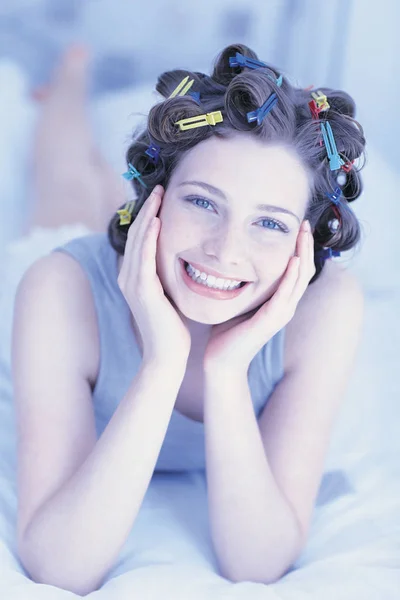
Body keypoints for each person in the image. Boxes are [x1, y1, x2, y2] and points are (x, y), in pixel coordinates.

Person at [11, 42, 365, 594]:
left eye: (269, 224)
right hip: (106, 258)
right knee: (66, 177)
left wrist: (227, 374)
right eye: (202, 202)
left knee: (88, 182)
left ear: (305, 239)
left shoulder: (325, 311)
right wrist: (162, 365)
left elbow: (257, 563)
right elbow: (60, 567)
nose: (225, 251)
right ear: (156, 196)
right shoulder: (61, 289)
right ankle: (68, 84)